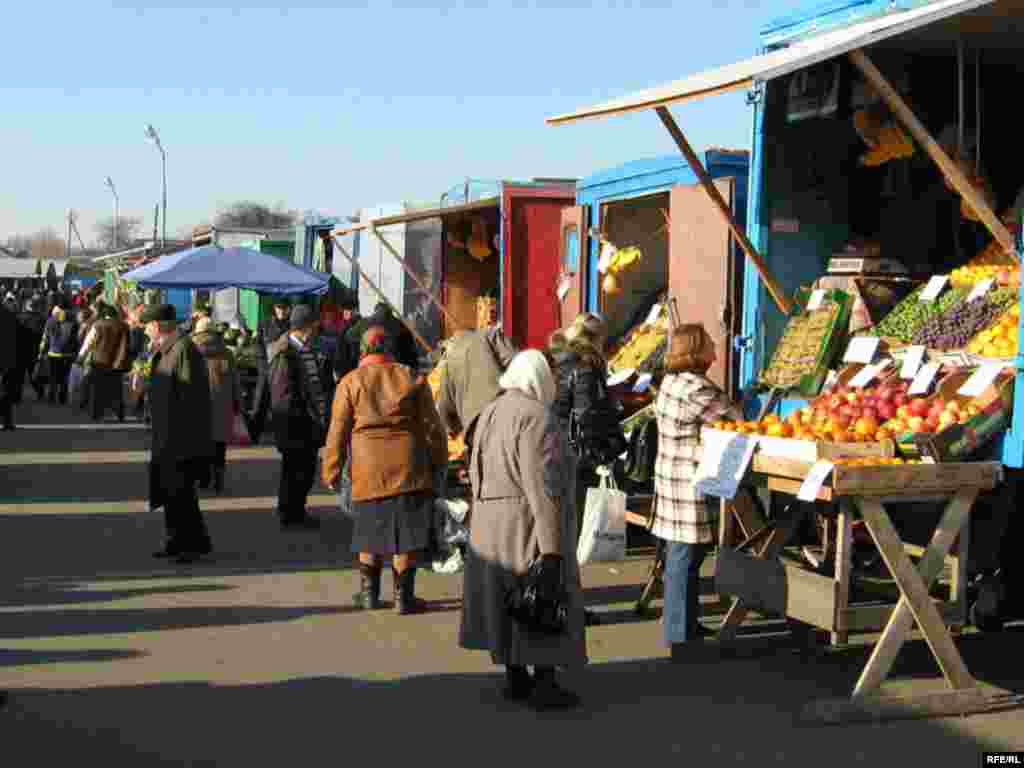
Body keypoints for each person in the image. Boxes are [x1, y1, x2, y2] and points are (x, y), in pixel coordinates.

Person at [459, 350, 586, 710]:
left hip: (489, 524)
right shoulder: (537, 418)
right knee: (541, 596)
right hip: (524, 523)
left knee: (507, 601)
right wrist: (552, 549)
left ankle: (515, 676)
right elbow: (544, 487)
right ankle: (545, 682)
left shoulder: (490, 411)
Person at [322, 325, 447, 614]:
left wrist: (331, 470)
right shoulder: (411, 377)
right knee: (406, 536)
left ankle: (369, 595)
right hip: (409, 467)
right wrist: (439, 460)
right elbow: (432, 427)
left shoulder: (350, 382)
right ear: (390, 348)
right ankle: (404, 598)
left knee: (369, 530)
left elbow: (337, 432)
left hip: (367, 470)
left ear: (363, 350)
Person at [652, 324, 742, 657]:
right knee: (684, 554)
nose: (716, 350)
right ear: (696, 351)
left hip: (673, 473)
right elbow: (733, 416)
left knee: (687, 553)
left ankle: (685, 622)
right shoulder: (694, 388)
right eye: (710, 345)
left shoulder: (672, 382)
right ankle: (678, 633)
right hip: (686, 478)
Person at [550, 313, 626, 626]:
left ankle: (560, 601)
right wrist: (607, 449)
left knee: (560, 531)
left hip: (555, 450)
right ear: (596, 338)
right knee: (572, 532)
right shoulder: (586, 367)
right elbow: (586, 415)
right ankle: (568, 607)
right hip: (577, 456)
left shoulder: (559, 363)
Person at [142, 303, 214, 564]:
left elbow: (192, 399)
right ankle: (180, 540)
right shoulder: (165, 350)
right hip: (165, 435)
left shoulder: (184, 350)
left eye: (147, 326)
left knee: (180, 492)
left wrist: (188, 441)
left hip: (180, 437)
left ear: (159, 325)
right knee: (171, 492)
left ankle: (188, 544)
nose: (145, 331)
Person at [268, 304, 331, 531]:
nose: (316, 330)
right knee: (295, 472)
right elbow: (282, 397)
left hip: (307, 425)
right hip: (295, 427)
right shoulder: (285, 353)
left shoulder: (305, 349)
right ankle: (290, 513)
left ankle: (296, 510)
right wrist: (300, 421)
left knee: (303, 471)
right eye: (314, 325)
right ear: (306, 327)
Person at [192, 316, 241, 494]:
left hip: (197, 404)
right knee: (219, 445)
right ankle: (218, 478)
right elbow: (235, 381)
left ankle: (203, 479)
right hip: (222, 404)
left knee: (200, 443)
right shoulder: (226, 351)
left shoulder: (190, 349)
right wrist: (237, 404)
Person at [78, 303, 130, 422]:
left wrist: (81, 356)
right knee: (116, 389)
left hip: (99, 361)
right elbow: (127, 345)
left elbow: (88, 342)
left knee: (98, 389)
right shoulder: (124, 326)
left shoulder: (98, 325)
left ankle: (97, 413)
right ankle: (119, 413)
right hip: (118, 362)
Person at [41, 306, 78, 405]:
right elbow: (76, 340)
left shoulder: (50, 322)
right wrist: (76, 353)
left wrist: (41, 352)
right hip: (68, 354)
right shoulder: (74, 323)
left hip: (53, 353)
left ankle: (51, 397)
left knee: (52, 376)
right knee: (65, 377)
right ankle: (63, 398)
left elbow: (45, 338)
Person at [0, 300, 19, 431]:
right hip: (8, 360)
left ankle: (7, 421)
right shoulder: (10, 315)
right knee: (6, 393)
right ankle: (7, 422)